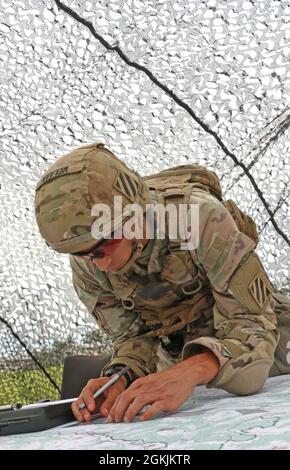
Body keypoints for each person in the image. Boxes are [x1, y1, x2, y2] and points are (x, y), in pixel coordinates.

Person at [34, 141, 290, 424]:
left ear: (133, 214)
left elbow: (253, 326)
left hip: (273, 351)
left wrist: (195, 368)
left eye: (105, 244)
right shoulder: (88, 263)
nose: (100, 263)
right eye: (83, 254)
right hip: (185, 376)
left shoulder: (197, 219)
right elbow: (133, 338)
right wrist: (120, 375)